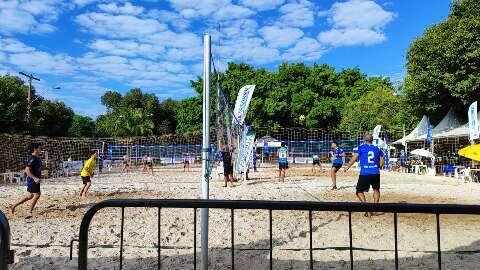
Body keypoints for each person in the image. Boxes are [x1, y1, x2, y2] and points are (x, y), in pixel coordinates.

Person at [344, 133, 385, 217]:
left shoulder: (361, 148)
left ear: (364, 140)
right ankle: (374, 209)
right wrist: (378, 166)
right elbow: (382, 162)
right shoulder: (377, 149)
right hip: (375, 172)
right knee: (376, 190)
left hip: (365, 173)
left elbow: (354, 158)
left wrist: (347, 167)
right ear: (372, 140)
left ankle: (366, 208)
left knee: (359, 191)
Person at [10, 143, 43, 216]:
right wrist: (35, 178)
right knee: (37, 195)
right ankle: (29, 212)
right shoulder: (32, 158)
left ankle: (13, 206)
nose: (41, 149)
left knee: (30, 196)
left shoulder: (37, 158)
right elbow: (27, 170)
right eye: (40, 148)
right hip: (32, 180)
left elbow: (37, 168)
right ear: (35, 149)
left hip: (35, 179)